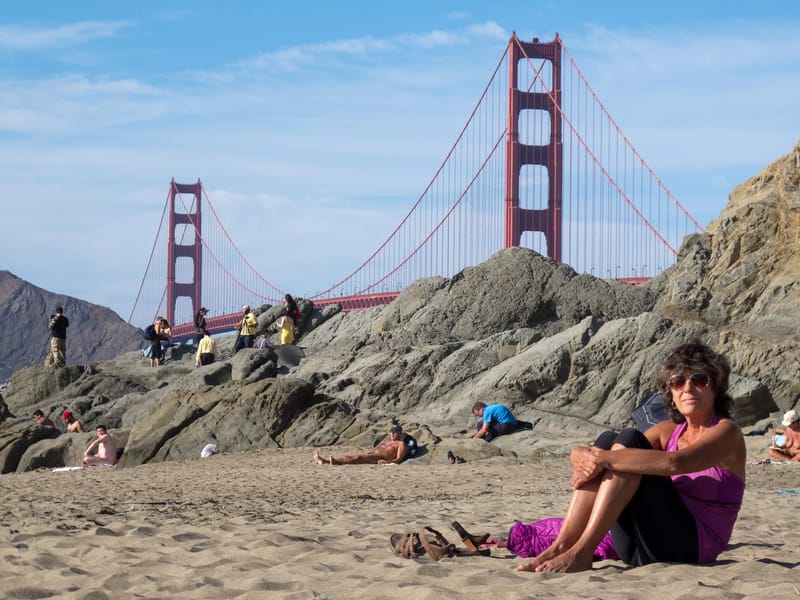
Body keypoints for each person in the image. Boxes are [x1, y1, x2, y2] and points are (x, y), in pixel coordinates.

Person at [517, 341, 745, 573]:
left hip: (691, 547)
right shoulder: (668, 431)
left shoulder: (728, 432)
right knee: (610, 439)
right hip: (639, 546)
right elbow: (615, 451)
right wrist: (579, 453)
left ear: (715, 386)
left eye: (699, 379)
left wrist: (600, 458)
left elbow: (676, 462)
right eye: (678, 382)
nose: (687, 388)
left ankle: (582, 552)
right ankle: (561, 546)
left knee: (628, 442)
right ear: (671, 393)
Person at [312, 422, 409, 465]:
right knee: (352, 457)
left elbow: (399, 459)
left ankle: (332, 462)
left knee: (356, 458)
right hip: (372, 455)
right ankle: (325, 461)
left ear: (400, 433)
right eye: (391, 431)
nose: (392, 433)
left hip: (377, 459)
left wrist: (388, 462)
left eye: (395, 431)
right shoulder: (387, 441)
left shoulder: (401, 444)